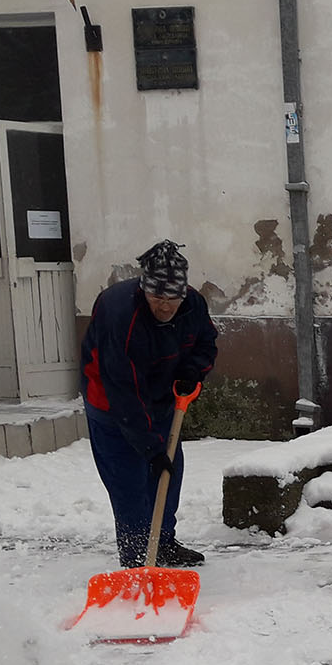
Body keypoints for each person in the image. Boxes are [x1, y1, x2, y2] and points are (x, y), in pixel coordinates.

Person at [80, 239, 217, 569]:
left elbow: (206, 343)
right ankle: (137, 560)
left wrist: (191, 370)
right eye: (158, 297)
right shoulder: (119, 314)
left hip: (162, 402)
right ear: (144, 290)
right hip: (113, 408)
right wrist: (151, 448)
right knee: (129, 486)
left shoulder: (193, 305)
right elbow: (122, 389)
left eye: (173, 297)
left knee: (168, 476)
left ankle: (163, 544)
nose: (166, 305)